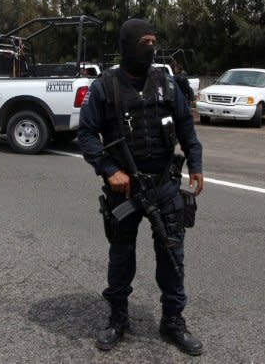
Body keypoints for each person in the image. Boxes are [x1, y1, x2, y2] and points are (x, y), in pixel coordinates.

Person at [78, 18, 205, 356]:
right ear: (128, 45)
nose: (151, 47)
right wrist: (108, 170)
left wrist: (196, 163)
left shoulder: (165, 82)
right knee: (121, 254)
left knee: (172, 251)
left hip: (164, 184)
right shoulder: (105, 87)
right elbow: (86, 135)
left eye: (153, 41)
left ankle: (173, 320)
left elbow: (185, 126)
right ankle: (118, 317)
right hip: (125, 188)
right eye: (144, 41)